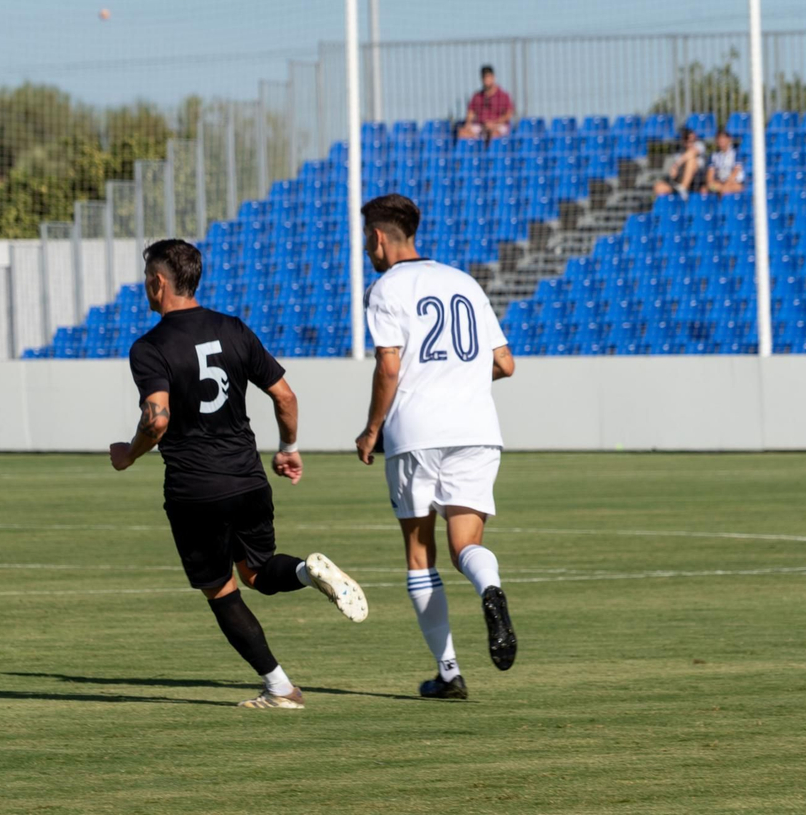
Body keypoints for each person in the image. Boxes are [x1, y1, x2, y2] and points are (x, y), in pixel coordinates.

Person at [110, 239, 367, 710]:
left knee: (222, 590)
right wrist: (288, 448)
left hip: (195, 489)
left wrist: (130, 453)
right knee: (257, 572)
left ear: (159, 282)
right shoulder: (233, 328)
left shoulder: (149, 347)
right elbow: (285, 397)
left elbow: (158, 419)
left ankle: (280, 688)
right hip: (248, 478)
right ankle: (309, 575)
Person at [354, 194, 518, 701]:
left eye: (366, 239)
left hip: (417, 432)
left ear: (379, 237)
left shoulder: (385, 288)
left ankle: (449, 673)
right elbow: (505, 363)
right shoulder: (464, 282)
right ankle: (490, 589)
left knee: (420, 554)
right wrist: (458, 378)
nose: (366, 248)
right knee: (465, 545)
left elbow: (388, 367)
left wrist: (371, 428)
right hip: (476, 429)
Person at [458, 65, 514, 141]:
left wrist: (494, 123)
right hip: (481, 125)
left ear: (493, 77)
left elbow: (508, 114)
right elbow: (471, 112)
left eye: (488, 77)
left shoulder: (503, 96)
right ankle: (475, 150)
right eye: (484, 77)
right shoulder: (477, 96)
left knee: (493, 134)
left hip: (498, 125)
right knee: (462, 133)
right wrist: (468, 124)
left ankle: (491, 151)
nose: (486, 80)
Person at [654, 127, 706, 199]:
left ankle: (683, 189)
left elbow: (691, 153)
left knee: (691, 160)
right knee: (658, 187)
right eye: (689, 140)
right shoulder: (679, 153)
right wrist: (674, 172)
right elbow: (673, 173)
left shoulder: (699, 146)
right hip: (678, 182)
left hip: (696, 182)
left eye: (694, 140)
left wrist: (676, 165)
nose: (692, 142)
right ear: (684, 141)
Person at [703, 128, 746, 195]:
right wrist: (713, 185)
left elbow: (735, 172)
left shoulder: (736, 153)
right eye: (719, 138)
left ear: (729, 139)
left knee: (725, 190)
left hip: (735, 183)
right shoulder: (713, 155)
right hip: (720, 184)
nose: (721, 140)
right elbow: (710, 176)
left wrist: (725, 186)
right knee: (705, 189)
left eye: (723, 138)